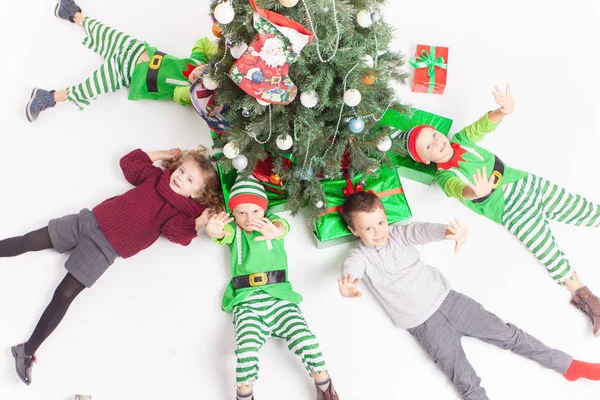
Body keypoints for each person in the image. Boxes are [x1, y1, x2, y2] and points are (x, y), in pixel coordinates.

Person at [338, 191, 600, 399]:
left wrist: (449, 231)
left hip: (451, 301)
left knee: (508, 334)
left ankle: (568, 367)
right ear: (355, 232)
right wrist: (350, 283)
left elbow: (421, 230)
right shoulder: (360, 256)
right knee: (464, 380)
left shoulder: (399, 234)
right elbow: (353, 268)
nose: (379, 232)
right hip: (424, 325)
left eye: (381, 222)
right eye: (369, 229)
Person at [389, 84, 600, 335]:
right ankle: (589, 300)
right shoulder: (444, 177)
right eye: (428, 146)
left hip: (526, 184)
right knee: (548, 253)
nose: (436, 143)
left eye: (434, 135)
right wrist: (475, 192)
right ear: (424, 160)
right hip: (511, 212)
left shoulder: (461, 140)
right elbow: (459, 189)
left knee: (577, 207)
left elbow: (482, 126)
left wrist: (502, 111)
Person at [1, 146, 223, 385]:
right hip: (88, 221)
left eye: (189, 180)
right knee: (30, 240)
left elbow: (177, 234)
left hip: (104, 249)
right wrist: (160, 155)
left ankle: (27, 350)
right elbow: (130, 164)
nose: (180, 178)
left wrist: (200, 222)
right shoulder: (156, 178)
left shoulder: (180, 213)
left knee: (64, 296)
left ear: (198, 194)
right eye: (181, 170)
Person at [206, 175, 339, 400]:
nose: (250, 219)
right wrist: (213, 230)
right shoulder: (234, 230)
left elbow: (282, 227)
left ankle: (324, 384)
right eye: (242, 213)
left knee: (305, 339)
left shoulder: (271, 223)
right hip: (247, 302)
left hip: (280, 298)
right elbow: (222, 233)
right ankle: (244, 395)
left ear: (264, 209)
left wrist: (275, 231)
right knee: (246, 351)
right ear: (233, 213)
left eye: (255, 211)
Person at [25, 0, 217, 122]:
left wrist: (197, 89)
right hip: (135, 49)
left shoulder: (187, 90)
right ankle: (74, 13)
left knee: (92, 87)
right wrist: (218, 56)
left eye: (200, 79)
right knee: (105, 32)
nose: (197, 74)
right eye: (203, 70)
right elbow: (203, 43)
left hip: (126, 73)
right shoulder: (196, 60)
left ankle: (48, 97)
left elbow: (181, 95)